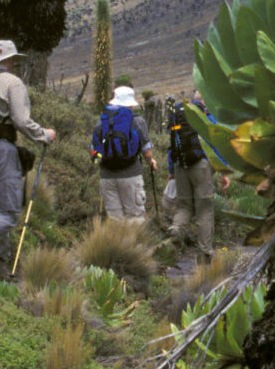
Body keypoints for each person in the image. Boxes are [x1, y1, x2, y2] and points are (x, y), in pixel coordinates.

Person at [0, 39, 54, 264]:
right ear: (8, 60)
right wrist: (44, 134)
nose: (16, 64)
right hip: (1, 152)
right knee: (8, 214)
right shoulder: (11, 82)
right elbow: (21, 120)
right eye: (14, 60)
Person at [168, 95, 229, 264]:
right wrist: (224, 172)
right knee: (204, 210)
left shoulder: (179, 116)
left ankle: (175, 229)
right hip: (201, 166)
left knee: (184, 207)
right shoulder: (206, 116)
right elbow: (216, 145)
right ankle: (205, 254)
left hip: (181, 166)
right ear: (204, 101)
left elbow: (171, 145)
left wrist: (171, 170)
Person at [91, 85, 159, 220]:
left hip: (107, 176)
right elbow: (147, 152)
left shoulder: (102, 121)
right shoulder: (138, 121)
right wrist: (151, 162)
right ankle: (136, 241)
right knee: (135, 216)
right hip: (131, 174)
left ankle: (119, 241)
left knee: (115, 219)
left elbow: (94, 150)